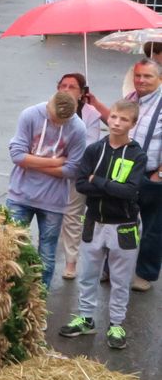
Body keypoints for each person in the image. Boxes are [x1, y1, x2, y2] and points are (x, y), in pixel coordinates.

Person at [58, 99, 146, 350]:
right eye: (114, 117)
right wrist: (106, 186)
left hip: (124, 226)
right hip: (94, 222)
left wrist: (98, 180)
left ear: (133, 123)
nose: (117, 123)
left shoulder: (136, 155)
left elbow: (130, 192)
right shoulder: (94, 149)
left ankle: (116, 323)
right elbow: (81, 184)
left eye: (124, 119)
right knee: (87, 275)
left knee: (120, 279)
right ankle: (85, 317)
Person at [6, 92, 88, 287]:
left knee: (47, 254)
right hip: (20, 195)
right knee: (10, 247)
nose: (57, 124)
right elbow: (17, 156)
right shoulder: (30, 115)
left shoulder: (78, 128)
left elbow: (72, 169)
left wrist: (31, 162)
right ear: (48, 106)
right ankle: (9, 292)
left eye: (62, 122)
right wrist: (54, 162)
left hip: (53, 201)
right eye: (53, 119)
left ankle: (40, 298)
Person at [55, 73, 109, 278]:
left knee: (72, 218)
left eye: (72, 87)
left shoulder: (90, 113)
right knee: (50, 215)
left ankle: (71, 262)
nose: (66, 90)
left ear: (81, 93)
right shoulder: (49, 109)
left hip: (77, 173)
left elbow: (89, 145)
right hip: (50, 172)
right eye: (63, 86)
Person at [127, 59, 162, 292]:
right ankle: (115, 268)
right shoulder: (131, 99)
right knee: (120, 222)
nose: (141, 80)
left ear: (159, 78)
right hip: (126, 172)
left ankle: (144, 274)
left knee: (153, 228)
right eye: (138, 75)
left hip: (153, 175)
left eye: (147, 76)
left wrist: (159, 174)